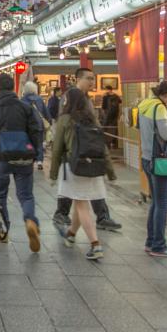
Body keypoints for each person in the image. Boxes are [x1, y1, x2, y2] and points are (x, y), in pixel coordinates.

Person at [53, 68, 122, 232]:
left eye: (93, 78)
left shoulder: (87, 99)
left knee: (91, 183)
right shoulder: (69, 97)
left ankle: (101, 217)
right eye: (89, 79)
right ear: (79, 79)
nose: (92, 82)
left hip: (89, 146)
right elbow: (64, 125)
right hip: (74, 148)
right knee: (74, 184)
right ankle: (64, 214)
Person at [0, 74, 43, 252]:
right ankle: (30, 219)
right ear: (13, 87)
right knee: (26, 194)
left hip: (2, 157)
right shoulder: (26, 107)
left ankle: (2, 232)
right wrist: (35, 152)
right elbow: (36, 129)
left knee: (1, 193)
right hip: (24, 155)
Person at [51, 87, 108, 260]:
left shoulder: (65, 119)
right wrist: (109, 171)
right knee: (80, 201)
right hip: (93, 167)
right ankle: (71, 234)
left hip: (74, 166)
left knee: (82, 205)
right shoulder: (92, 119)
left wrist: (53, 173)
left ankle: (95, 245)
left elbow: (57, 148)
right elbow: (103, 147)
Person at [138, 80, 167, 257]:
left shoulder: (145, 104)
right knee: (162, 204)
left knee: (156, 202)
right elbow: (166, 134)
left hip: (147, 158)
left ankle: (151, 242)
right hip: (160, 162)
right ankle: (159, 245)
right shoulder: (160, 107)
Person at [20, 81, 50, 171]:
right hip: (39, 126)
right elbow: (45, 112)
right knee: (39, 144)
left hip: (27, 126)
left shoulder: (22, 100)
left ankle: (30, 159)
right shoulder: (39, 99)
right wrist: (48, 122)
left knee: (28, 143)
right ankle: (40, 161)